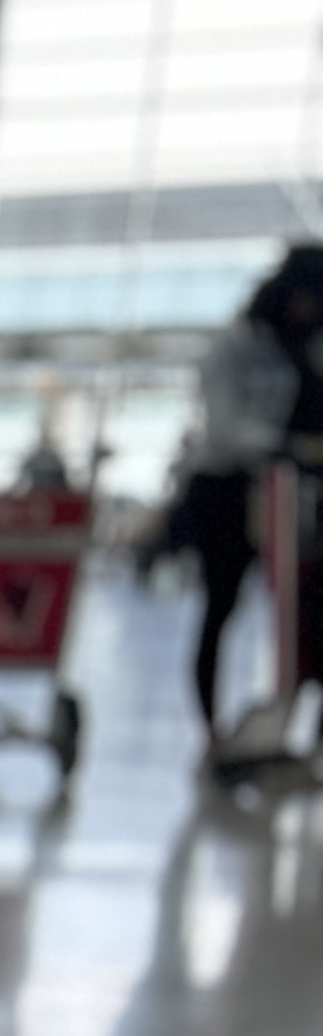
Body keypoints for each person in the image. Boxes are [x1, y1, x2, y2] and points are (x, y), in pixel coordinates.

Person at [177, 249, 323, 739]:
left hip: (290, 494)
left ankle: (292, 726)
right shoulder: (238, 346)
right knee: (221, 606)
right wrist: (285, 447)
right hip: (226, 488)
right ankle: (211, 729)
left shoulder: (304, 349)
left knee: (306, 610)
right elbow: (225, 427)